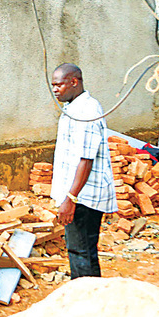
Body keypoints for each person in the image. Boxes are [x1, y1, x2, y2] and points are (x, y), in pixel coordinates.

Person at [50, 63, 117, 278]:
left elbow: (86, 159)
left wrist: (71, 198)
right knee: (82, 251)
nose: (55, 90)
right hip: (78, 194)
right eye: (53, 85)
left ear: (74, 82)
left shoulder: (87, 111)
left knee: (81, 252)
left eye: (59, 84)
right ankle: (89, 297)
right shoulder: (73, 108)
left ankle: (87, 301)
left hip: (83, 197)